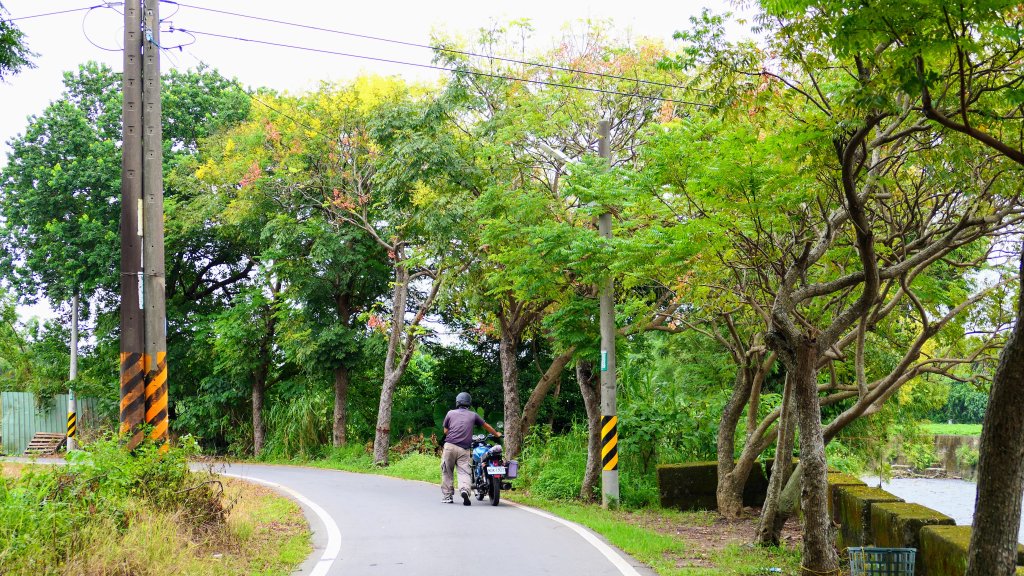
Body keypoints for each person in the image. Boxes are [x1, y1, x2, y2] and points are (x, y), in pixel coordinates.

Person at [441, 391, 501, 505]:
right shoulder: (473, 415)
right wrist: (496, 433)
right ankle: (464, 490)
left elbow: (445, 431)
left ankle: (447, 496)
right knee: (464, 471)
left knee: (447, 471)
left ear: (457, 402)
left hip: (450, 446)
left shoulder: (450, 413)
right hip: (464, 449)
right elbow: (486, 426)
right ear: (469, 403)